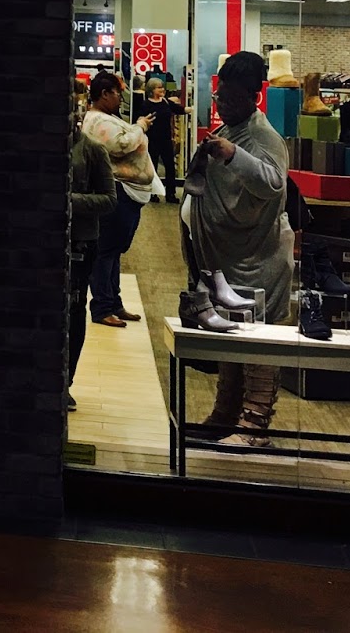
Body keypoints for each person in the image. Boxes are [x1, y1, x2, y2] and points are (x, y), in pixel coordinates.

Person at [184, 51, 291, 449]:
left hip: (256, 260)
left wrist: (232, 154)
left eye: (229, 99)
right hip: (227, 258)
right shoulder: (230, 128)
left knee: (258, 341)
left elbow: (273, 183)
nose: (222, 105)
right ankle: (225, 415)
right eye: (219, 97)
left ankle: (255, 424)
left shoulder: (263, 136)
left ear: (253, 97)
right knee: (230, 337)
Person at [81, 72, 155, 327]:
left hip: (125, 191)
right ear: (104, 94)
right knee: (106, 251)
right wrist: (140, 127)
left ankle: (113, 303)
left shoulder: (104, 118)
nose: (119, 99)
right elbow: (121, 145)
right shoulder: (98, 120)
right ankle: (102, 307)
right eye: (117, 94)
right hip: (118, 189)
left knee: (112, 252)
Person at [67, 104, 120, 410]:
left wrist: (69, 201)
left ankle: (66, 380)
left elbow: (110, 199)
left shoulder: (93, 151)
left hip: (81, 243)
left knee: (74, 312)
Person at [139, 73, 184, 200]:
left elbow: (179, 109)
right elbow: (140, 120)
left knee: (170, 166)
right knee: (152, 167)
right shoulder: (146, 105)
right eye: (159, 87)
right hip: (152, 140)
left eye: (162, 87)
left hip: (166, 139)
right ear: (152, 90)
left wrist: (191, 109)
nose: (162, 89)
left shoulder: (165, 102)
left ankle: (170, 193)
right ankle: (152, 193)